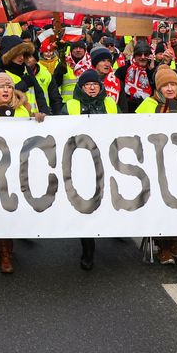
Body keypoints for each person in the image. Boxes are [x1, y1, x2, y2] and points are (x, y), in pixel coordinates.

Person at [0, 71, 44, 274]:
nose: (6, 90)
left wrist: (38, 119)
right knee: (1, 211)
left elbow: (37, 135)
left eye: (9, 87)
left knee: (16, 209)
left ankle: (10, 245)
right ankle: (4, 254)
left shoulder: (25, 109)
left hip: (20, 169)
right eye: (1, 87)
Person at [135, 68, 177, 265]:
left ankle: (175, 239)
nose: (170, 88)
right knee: (162, 202)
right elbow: (136, 130)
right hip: (157, 158)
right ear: (158, 88)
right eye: (165, 85)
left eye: (173, 85)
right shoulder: (148, 104)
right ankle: (163, 245)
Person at [63, 69, 118, 271]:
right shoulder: (71, 105)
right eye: (88, 85)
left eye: (95, 84)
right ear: (81, 87)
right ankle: (88, 249)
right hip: (81, 162)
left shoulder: (110, 103)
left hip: (107, 159)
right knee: (86, 205)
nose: (92, 87)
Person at [115, 42, 155, 112]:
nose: (143, 57)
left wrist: (151, 70)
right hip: (127, 111)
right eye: (139, 54)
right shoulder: (122, 71)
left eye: (146, 54)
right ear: (134, 56)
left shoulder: (153, 71)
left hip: (147, 111)